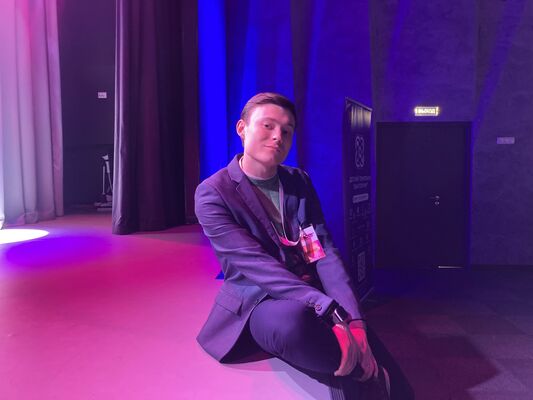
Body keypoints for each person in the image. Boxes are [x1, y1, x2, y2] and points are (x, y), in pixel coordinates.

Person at [195, 92, 410, 399]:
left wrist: (354, 320)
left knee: (367, 347)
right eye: (268, 126)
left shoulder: (298, 181)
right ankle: (369, 374)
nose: (277, 136)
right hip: (259, 298)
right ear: (242, 128)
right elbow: (256, 266)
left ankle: (377, 377)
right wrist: (328, 309)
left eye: (287, 130)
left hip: (311, 290)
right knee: (295, 324)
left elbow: (322, 250)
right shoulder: (214, 193)